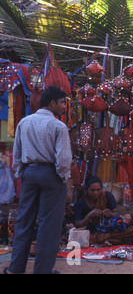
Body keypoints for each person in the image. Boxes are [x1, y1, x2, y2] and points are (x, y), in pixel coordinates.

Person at [6, 86, 72, 274]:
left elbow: (16, 154)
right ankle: (42, 270)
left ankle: (15, 269)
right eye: (61, 103)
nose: (63, 107)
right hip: (51, 175)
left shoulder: (24, 122)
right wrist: (63, 178)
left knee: (23, 222)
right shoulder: (58, 126)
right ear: (52, 103)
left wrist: (22, 174)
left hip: (29, 174)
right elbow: (63, 159)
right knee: (48, 225)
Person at [74, 176, 133, 245]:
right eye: (92, 190)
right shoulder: (80, 203)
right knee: (81, 236)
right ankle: (110, 240)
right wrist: (88, 216)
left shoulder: (107, 196)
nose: (96, 193)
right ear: (86, 190)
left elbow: (117, 213)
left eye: (98, 190)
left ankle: (106, 239)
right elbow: (78, 225)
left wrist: (110, 213)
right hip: (93, 231)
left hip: (112, 229)